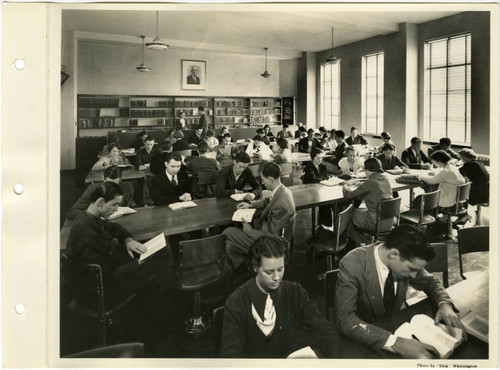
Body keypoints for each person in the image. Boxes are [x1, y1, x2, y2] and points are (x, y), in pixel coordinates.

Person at [335, 225, 465, 359]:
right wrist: (394, 342)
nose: (414, 276)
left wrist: (444, 304)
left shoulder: (406, 256)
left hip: (396, 327)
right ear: (393, 254)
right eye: (411, 269)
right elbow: (345, 319)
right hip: (365, 340)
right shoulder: (352, 264)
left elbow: (431, 282)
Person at [221, 235, 342, 358]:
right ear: (255, 267)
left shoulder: (294, 291)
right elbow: (231, 357)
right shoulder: (236, 301)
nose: (276, 277)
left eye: (280, 269)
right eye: (269, 272)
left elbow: (325, 330)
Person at [65, 181, 174, 310]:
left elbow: (113, 227)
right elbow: (108, 277)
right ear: (100, 202)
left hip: (99, 280)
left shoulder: (87, 217)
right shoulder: (87, 236)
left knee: (158, 254)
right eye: (114, 205)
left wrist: (128, 240)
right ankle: (162, 310)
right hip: (97, 295)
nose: (117, 209)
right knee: (162, 260)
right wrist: (138, 263)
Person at [223, 162, 296, 271]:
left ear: (270, 179)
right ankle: (248, 264)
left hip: (269, 245)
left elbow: (272, 237)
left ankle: (253, 264)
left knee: (227, 233)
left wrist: (250, 231)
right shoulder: (282, 190)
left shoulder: (281, 204)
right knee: (229, 246)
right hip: (269, 234)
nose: (262, 182)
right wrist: (251, 204)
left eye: (263, 179)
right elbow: (268, 201)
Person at [342, 157, 393, 246]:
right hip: (389, 221)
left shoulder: (369, 183)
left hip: (374, 222)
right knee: (360, 211)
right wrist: (362, 184)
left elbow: (348, 195)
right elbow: (374, 185)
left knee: (349, 214)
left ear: (368, 170)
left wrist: (345, 187)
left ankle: (353, 245)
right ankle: (365, 241)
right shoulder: (385, 178)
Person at [417, 150, 466, 238]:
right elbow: (444, 174)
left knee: (422, 201)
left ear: (438, 161)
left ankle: (430, 229)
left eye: (434, 161)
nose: (433, 163)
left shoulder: (445, 172)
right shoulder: (452, 167)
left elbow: (430, 181)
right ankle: (440, 226)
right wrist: (436, 173)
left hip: (448, 204)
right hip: (457, 202)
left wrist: (420, 175)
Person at [66, 165, 134, 221]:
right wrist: (93, 216)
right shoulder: (93, 188)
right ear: (104, 179)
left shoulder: (127, 187)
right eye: (108, 183)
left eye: (115, 184)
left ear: (120, 180)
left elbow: (127, 209)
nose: (111, 187)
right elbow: (72, 212)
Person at [302, 148, 332, 228]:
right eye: (318, 158)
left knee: (330, 200)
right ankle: (323, 223)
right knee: (327, 201)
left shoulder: (322, 166)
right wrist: (324, 181)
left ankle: (324, 223)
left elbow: (326, 177)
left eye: (321, 158)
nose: (320, 160)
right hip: (312, 191)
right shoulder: (308, 167)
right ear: (312, 157)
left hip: (322, 189)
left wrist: (329, 179)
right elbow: (313, 179)